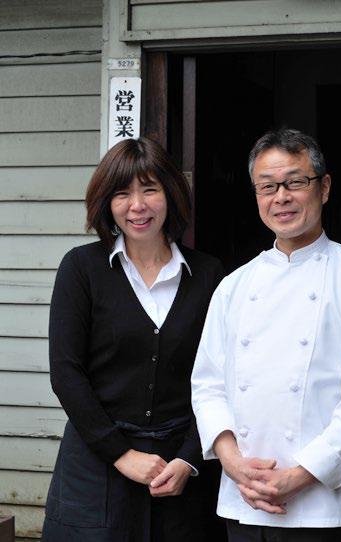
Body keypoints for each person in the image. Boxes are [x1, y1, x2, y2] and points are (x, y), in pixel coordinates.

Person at [191, 128, 341, 541]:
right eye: (267, 186)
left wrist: (299, 476)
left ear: (324, 187)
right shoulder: (234, 285)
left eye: (295, 182)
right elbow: (208, 385)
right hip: (244, 497)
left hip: (321, 505)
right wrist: (233, 464)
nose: (281, 197)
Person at [42, 137, 226, 542]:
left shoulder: (208, 274)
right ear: (106, 202)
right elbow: (66, 373)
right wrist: (122, 455)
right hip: (96, 463)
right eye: (122, 193)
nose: (137, 205)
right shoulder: (81, 268)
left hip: (178, 468)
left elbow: (221, 377)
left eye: (150, 190)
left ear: (171, 194)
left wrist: (189, 459)